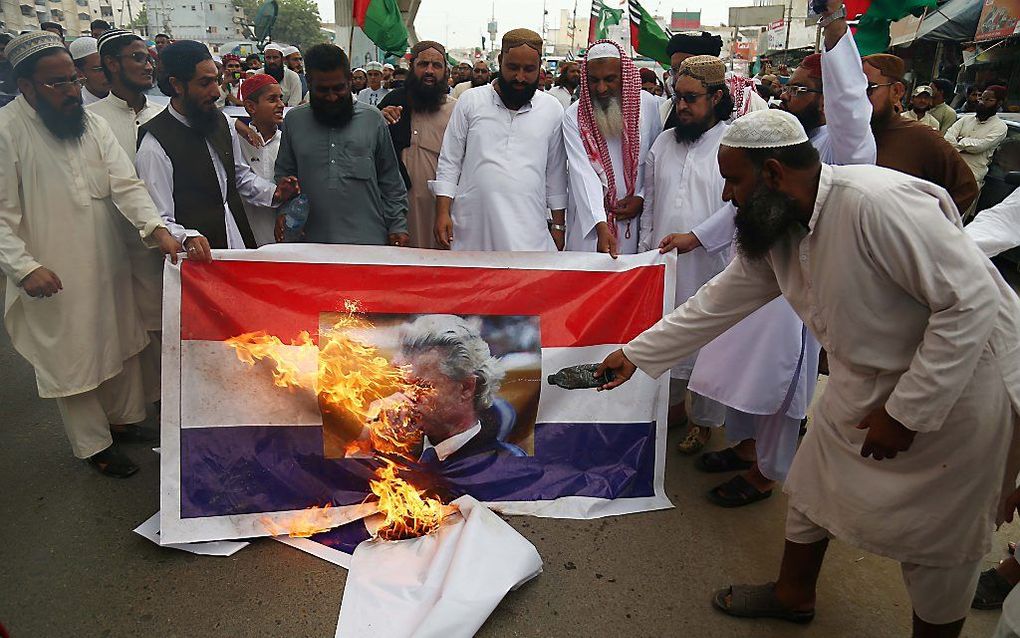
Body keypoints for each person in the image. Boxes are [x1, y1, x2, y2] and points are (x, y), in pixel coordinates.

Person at [598, 108, 1020, 637]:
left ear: (773, 173)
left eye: (733, 180)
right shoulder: (779, 224)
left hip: (953, 389)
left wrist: (909, 413)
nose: (728, 196)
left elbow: (971, 305)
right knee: (812, 489)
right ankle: (792, 593)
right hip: (861, 380)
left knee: (938, 544)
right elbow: (720, 299)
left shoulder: (875, 204)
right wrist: (637, 355)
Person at [677, 2, 875, 471]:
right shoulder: (787, 140)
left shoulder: (841, 150)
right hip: (763, 277)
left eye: (802, 90)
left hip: (800, 295)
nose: (790, 96)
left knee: (780, 386)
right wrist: (699, 238)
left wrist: (833, 29)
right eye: (788, 88)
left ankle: (768, 474)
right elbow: (745, 200)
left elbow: (851, 111)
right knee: (741, 375)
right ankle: (745, 450)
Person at [0, 31, 182, 477]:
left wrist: (156, 228)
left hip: (106, 259)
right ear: (25, 86)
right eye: (56, 84)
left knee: (118, 343)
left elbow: (125, 184)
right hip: (51, 270)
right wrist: (25, 268)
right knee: (74, 358)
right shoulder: (6, 131)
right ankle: (94, 445)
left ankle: (121, 423)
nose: (70, 91)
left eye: (72, 80)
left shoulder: (90, 123)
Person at [638, 55, 734, 449]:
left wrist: (698, 236)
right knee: (670, 337)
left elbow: (737, 207)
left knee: (710, 346)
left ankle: (706, 422)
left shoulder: (732, 144)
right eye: (678, 97)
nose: (682, 106)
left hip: (712, 265)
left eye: (691, 98)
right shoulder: (664, 141)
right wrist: (646, 251)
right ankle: (674, 409)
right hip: (665, 263)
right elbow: (650, 201)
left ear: (716, 97)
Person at [136, 41, 298, 251]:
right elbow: (159, 217)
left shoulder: (221, 123)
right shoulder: (155, 144)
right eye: (205, 83)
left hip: (237, 241)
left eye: (217, 81)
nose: (215, 92)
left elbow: (239, 176)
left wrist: (275, 193)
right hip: (198, 259)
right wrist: (187, 238)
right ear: (176, 85)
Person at [431, 28, 567, 252]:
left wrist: (559, 226)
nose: (520, 77)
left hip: (528, 231)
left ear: (539, 67)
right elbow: (449, 161)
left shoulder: (552, 109)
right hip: (472, 228)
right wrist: (442, 212)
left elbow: (556, 174)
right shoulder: (470, 101)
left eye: (529, 69)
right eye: (513, 67)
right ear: (501, 60)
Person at [88, 29, 167, 406]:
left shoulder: (165, 112)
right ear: (112, 64)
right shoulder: (90, 121)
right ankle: (128, 414)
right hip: (113, 247)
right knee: (119, 336)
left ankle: (162, 410)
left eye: (148, 57)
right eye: (137, 57)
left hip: (162, 243)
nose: (147, 64)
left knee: (161, 328)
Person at [274, 43, 408, 246]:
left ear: (349, 81)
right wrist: (285, 211)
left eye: (339, 88)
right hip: (309, 243)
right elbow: (284, 174)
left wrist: (397, 225)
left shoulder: (373, 119)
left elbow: (390, 181)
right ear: (309, 83)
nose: (332, 97)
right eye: (323, 90)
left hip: (368, 242)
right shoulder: (294, 121)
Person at [562, 40, 662, 255]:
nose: (601, 88)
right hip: (590, 224)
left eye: (610, 79)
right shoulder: (574, 116)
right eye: (594, 81)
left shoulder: (650, 106)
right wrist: (600, 223)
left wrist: (642, 197)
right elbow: (582, 173)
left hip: (635, 220)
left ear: (624, 77)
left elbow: (656, 161)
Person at [397, 315, 525, 467]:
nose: (407, 397)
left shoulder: (507, 465)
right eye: (404, 385)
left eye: (422, 386)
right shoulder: (395, 449)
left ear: (466, 388)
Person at [863, 53, 979, 216]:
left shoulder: (922, 137)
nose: (856, 96)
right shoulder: (841, 135)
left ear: (896, 91)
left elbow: (965, 188)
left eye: (867, 88)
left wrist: (923, 228)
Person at [378, 41, 457, 249]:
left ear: (446, 71)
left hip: (439, 214)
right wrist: (379, 119)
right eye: (423, 64)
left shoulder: (457, 111)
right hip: (397, 214)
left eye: (436, 66)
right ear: (412, 67)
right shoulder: (393, 103)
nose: (429, 71)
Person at [237, 74, 284, 246]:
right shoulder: (236, 141)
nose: (281, 105)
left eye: (281, 98)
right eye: (272, 99)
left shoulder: (287, 142)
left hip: (283, 240)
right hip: (246, 238)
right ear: (250, 106)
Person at [944, 85, 1009, 191]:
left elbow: (980, 147)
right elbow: (946, 139)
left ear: (999, 103)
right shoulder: (965, 119)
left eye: (988, 100)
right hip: (947, 172)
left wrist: (959, 140)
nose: (982, 102)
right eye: (981, 98)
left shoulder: (1000, 127)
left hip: (970, 178)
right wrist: (966, 145)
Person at [660, 31, 723, 128]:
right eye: (674, 70)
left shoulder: (741, 106)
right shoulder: (667, 109)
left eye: (685, 69)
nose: (678, 76)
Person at [68, 37, 109, 105]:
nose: (109, 72)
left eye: (109, 65)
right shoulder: (78, 107)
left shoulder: (126, 97)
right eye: (99, 69)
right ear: (79, 73)